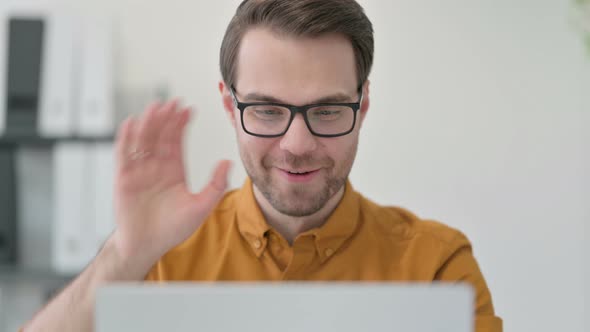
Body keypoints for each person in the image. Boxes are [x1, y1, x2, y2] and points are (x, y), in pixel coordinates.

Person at [22, 0, 503, 331]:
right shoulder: (157, 258)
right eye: (268, 110)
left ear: (364, 105)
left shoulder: (437, 267)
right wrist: (124, 255)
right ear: (230, 108)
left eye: (328, 110)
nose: (297, 144)